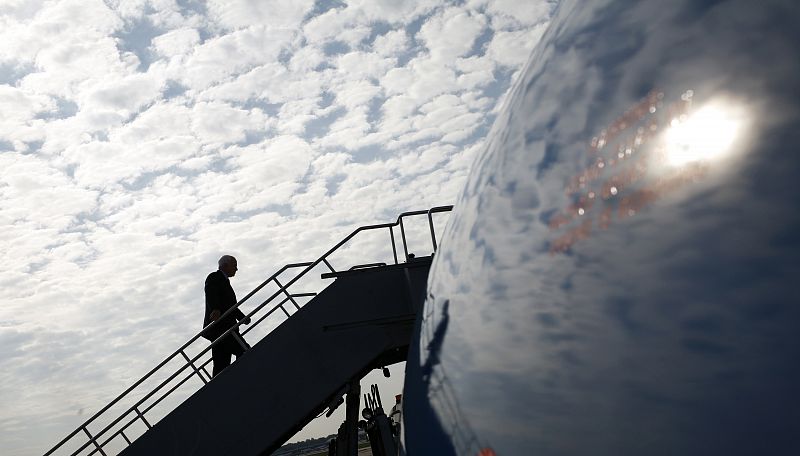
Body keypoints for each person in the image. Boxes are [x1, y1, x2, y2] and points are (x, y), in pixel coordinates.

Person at [202, 255, 251, 377]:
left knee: (221, 365)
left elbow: (229, 305)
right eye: (234, 265)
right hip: (222, 328)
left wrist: (242, 318)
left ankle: (217, 391)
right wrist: (215, 309)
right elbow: (211, 293)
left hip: (223, 329)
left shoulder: (224, 281)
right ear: (225, 265)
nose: (236, 269)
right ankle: (240, 377)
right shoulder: (214, 277)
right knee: (244, 351)